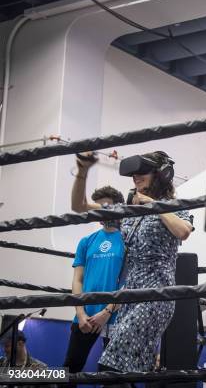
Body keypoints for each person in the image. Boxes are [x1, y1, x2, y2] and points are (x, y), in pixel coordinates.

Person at [72, 150, 193, 372]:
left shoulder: (173, 206)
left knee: (110, 366)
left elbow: (183, 231)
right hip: (129, 297)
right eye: (133, 174)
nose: (136, 178)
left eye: (142, 172)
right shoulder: (129, 210)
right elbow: (79, 206)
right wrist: (82, 171)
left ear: (162, 174)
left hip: (156, 296)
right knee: (121, 369)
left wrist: (153, 205)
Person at [64, 184, 125, 377]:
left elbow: (129, 282)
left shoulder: (129, 240)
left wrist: (107, 311)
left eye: (104, 206)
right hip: (85, 317)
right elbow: (77, 279)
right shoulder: (86, 241)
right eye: (97, 207)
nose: (100, 211)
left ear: (117, 207)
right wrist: (80, 313)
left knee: (111, 376)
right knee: (70, 369)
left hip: (116, 317)